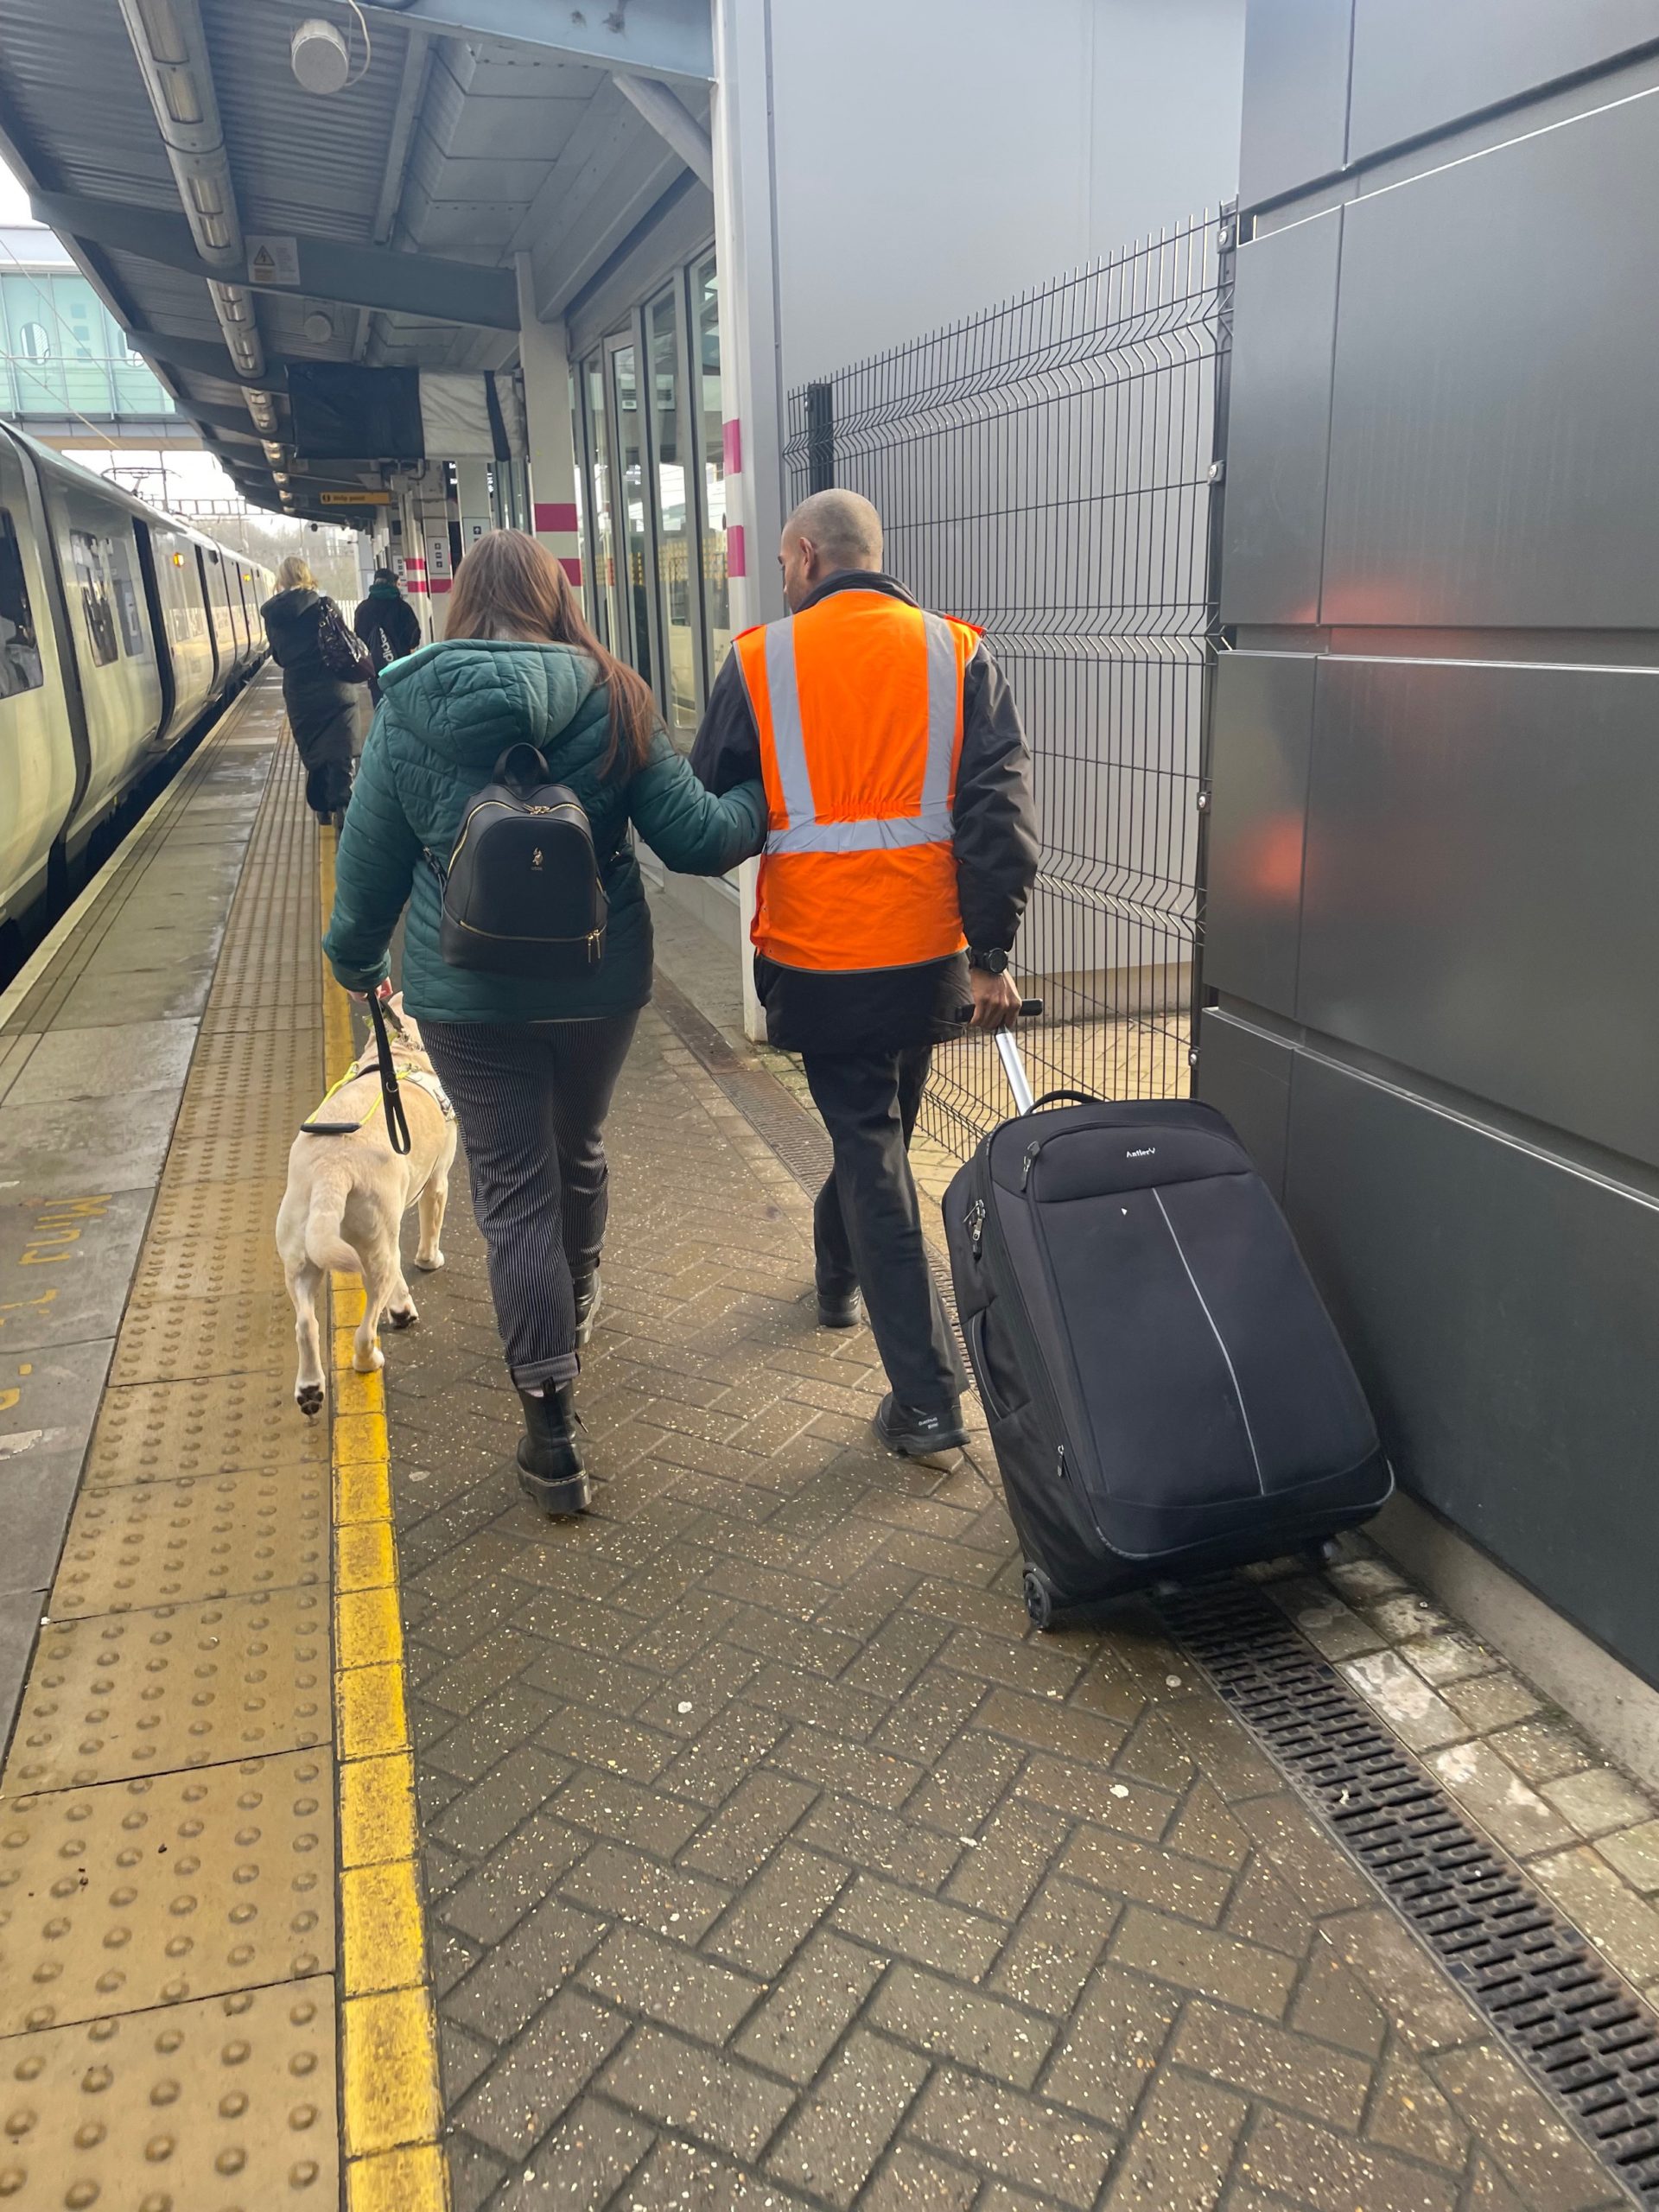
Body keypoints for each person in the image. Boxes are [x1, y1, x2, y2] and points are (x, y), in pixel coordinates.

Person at [322, 529, 766, 1516]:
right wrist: (760, 795)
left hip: (466, 992)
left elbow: (367, 878)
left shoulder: (406, 709)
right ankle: (583, 1285)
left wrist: (356, 965)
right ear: (557, 596)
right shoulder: (617, 693)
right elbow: (696, 837)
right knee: (580, 1146)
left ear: (458, 603)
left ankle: (551, 1431)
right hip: (598, 984)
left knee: (512, 1193)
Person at [690, 489, 1039, 1460]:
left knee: (871, 1151)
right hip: (927, 958)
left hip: (819, 955)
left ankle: (927, 1400)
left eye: (782, 564)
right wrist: (991, 955)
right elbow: (996, 817)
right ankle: (840, 1280)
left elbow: (709, 803)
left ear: (805, 555)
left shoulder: (760, 659)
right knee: (879, 1138)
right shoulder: (956, 651)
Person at [262, 555, 362, 824]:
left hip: (300, 692)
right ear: (306, 575)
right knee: (339, 746)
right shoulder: (324, 606)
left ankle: (322, 806)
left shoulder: (272, 614)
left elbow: (280, 658)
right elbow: (343, 641)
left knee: (315, 747)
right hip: (334, 685)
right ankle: (342, 804)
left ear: (281, 580)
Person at [353, 564, 421, 704]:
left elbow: (358, 637)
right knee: (403, 706)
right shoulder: (402, 608)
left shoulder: (363, 609)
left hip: (375, 670)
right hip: (400, 668)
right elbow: (413, 637)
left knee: (380, 705)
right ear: (392, 584)